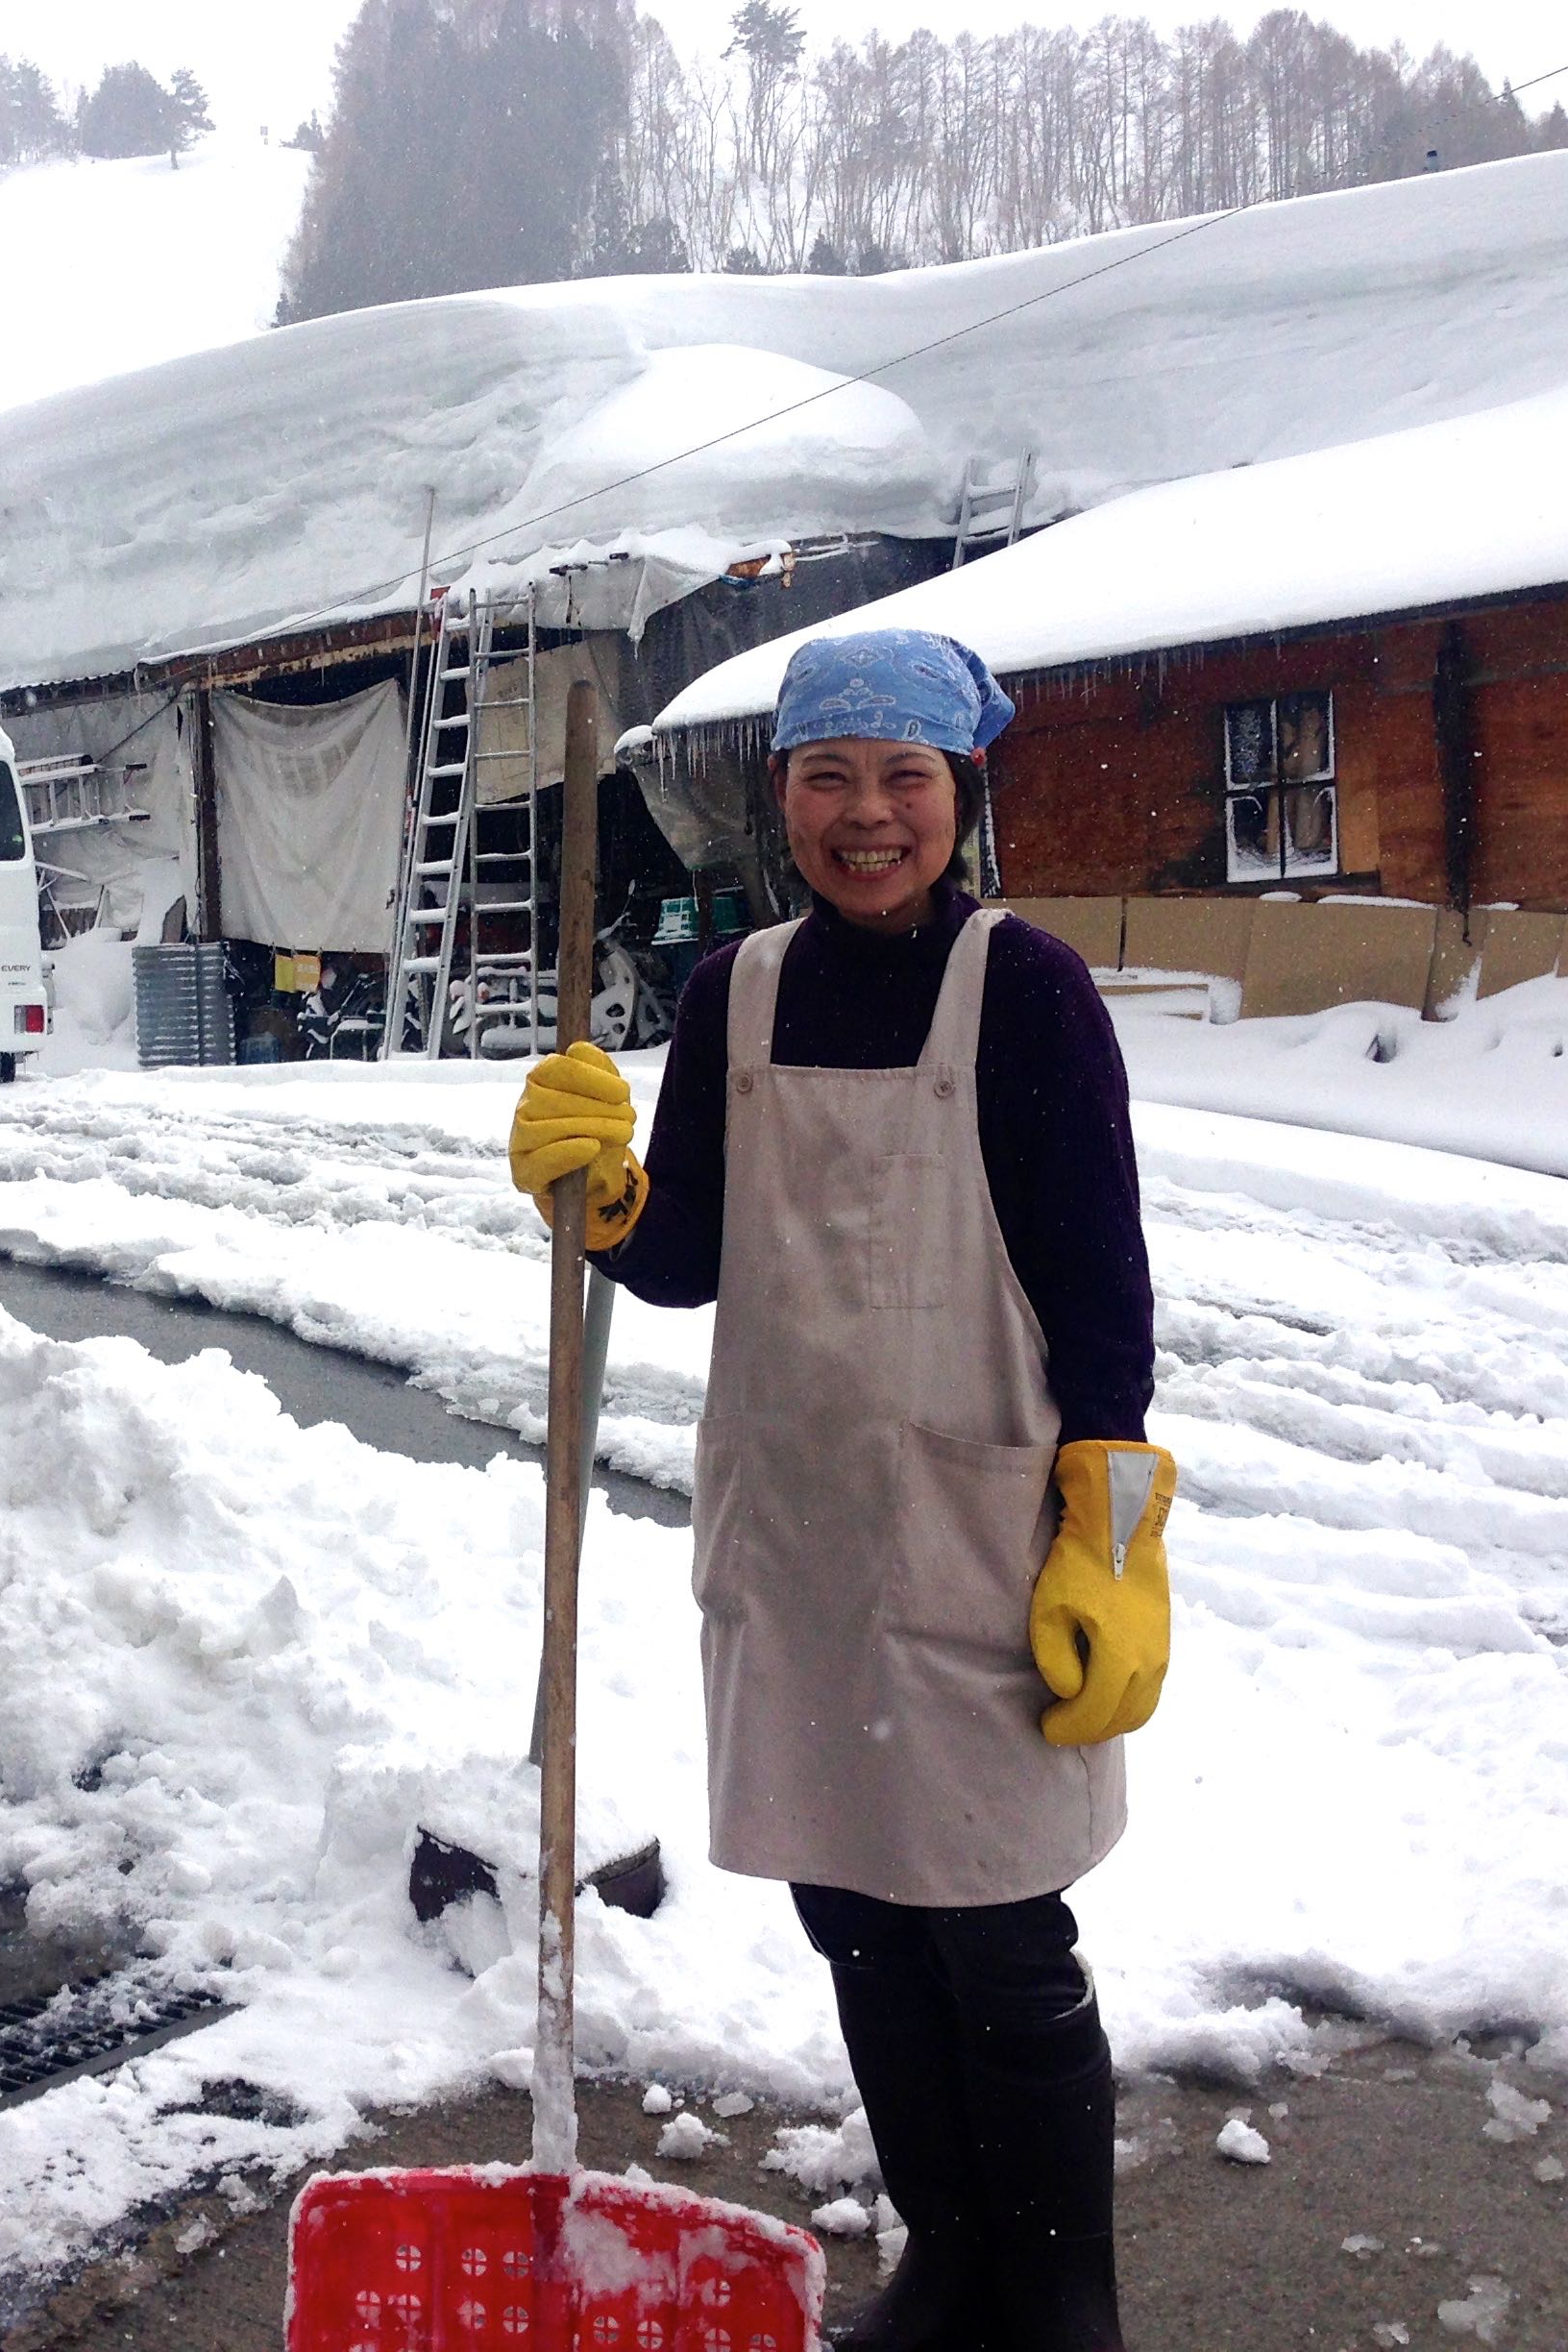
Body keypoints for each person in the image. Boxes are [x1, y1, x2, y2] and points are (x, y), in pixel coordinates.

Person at [508, 628, 1175, 2352]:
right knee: (858, 1922)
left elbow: (1102, 1288)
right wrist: (599, 1195)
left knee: (1000, 1940)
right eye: (828, 776)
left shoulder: (1024, 987)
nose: (866, 815)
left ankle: (1063, 2313)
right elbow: (688, 1261)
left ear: (960, 794)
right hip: (796, 1540)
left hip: (977, 1535)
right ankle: (950, 2271)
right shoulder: (735, 985)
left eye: (904, 778)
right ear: (779, 794)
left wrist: (1108, 1544)